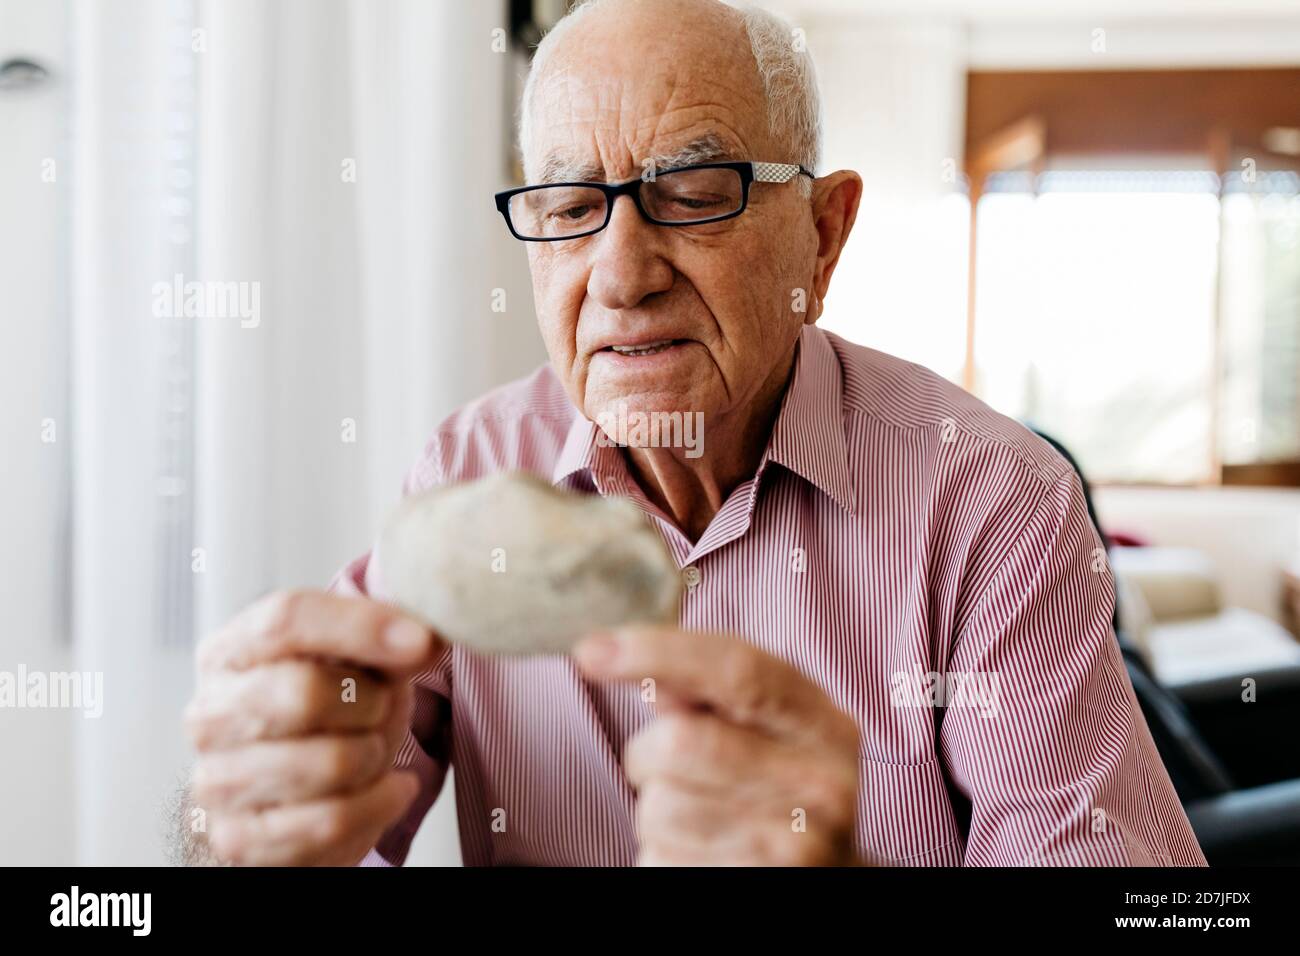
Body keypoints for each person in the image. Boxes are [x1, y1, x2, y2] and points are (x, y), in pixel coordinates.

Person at [181, 0, 1206, 866]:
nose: (622, 275)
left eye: (693, 194)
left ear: (823, 231)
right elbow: (298, 802)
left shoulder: (995, 499)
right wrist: (237, 817)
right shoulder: (470, 471)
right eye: (570, 204)